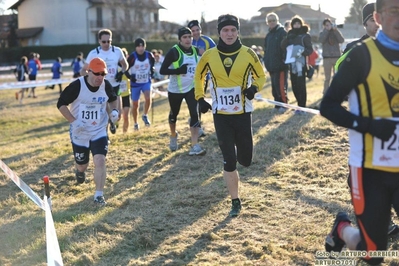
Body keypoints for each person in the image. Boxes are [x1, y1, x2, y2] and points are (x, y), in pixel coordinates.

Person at [320, 0, 399, 264]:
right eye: (394, 10)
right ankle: (342, 228)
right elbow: (328, 106)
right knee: (372, 253)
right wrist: (369, 125)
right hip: (370, 170)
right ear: (377, 17)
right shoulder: (360, 55)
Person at [194, 14, 266, 217]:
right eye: (225, 30)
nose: (229, 34)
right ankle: (235, 200)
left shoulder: (248, 53)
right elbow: (198, 76)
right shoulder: (209, 55)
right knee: (229, 159)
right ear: (219, 32)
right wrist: (200, 98)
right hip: (221, 115)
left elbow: (261, 75)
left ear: (238, 32)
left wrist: (253, 88)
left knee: (246, 159)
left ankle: (241, 161)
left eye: (233, 30)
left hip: (243, 113)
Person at [57, 57, 118, 205]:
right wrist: (73, 121)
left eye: (102, 74)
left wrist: (114, 112)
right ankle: (80, 171)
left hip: (98, 130)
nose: (99, 77)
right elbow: (61, 104)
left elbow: (113, 98)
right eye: (96, 73)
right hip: (80, 131)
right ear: (88, 71)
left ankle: (99, 195)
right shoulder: (77, 86)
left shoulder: (106, 85)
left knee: (100, 160)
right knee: (82, 164)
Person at [159, 27, 206, 156]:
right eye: (184, 37)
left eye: (189, 37)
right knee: (174, 114)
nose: (187, 39)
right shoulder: (174, 52)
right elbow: (162, 70)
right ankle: (173, 135)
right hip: (175, 90)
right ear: (180, 39)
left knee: (195, 114)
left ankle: (195, 145)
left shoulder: (196, 51)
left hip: (191, 89)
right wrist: (178, 70)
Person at [81, 29, 128, 135]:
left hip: (115, 86)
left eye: (109, 41)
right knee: (104, 114)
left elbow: (125, 65)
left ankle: (112, 122)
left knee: (118, 114)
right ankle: (105, 136)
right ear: (99, 41)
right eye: (104, 42)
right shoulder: (94, 53)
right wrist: (92, 78)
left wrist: (122, 73)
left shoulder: (117, 51)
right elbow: (83, 70)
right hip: (101, 87)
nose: (106, 44)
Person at [187, 19, 216, 136]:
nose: (195, 32)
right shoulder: (187, 41)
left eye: (197, 30)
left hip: (203, 77)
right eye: (193, 30)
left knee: (199, 100)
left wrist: (205, 53)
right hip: (189, 77)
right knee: (193, 102)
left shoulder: (207, 41)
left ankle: (196, 123)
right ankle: (196, 123)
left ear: (200, 29)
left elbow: (216, 55)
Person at [281, 16, 313, 113]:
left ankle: (302, 106)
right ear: (292, 25)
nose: (297, 25)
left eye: (298, 23)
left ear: (301, 24)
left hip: (301, 64)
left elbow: (310, 49)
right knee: (294, 85)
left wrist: (301, 52)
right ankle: (298, 105)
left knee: (301, 85)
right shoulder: (289, 35)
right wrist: (287, 38)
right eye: (295, 24)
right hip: (292, 64)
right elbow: (282, 46)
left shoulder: (305, 35)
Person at [126, 38, 155, 131]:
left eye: (142, 46)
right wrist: (130, 77)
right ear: (136, 47)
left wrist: (152, 70)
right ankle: (135, 123)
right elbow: (125, 69)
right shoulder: (132, 57)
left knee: (148, 97)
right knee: (135, 105)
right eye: (138, 46)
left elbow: (152, 64)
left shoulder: (149, 55)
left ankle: (145, 115)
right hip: (135, 84)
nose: (141, 48)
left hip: (146, 81)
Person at [264, 12, 288, 113]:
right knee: (274, 87)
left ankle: (284, 104)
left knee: (281, 87)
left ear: (277, 21)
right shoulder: (268, 35)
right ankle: (277, 105)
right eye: (270, 21)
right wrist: (267, 63)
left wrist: (283, 61)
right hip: (271, 66)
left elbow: (286, 49)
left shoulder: (282, 32)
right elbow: (266, 50)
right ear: (267, 23)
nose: (272, 22)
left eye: (273, 20)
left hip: (281, 66)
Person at [318, 18, 344, 94]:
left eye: (329, 24)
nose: (328, 26)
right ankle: (325, 92)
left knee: (337, 77)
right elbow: (321, 40)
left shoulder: (335, 32)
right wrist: (326, 30)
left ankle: (337, 92)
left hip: (336, 57)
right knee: (327, 78)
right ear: (324, 26)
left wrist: (335, 30)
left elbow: (341, 40)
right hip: (327, 58)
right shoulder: (322, 33)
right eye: (326, 25)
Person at [119, 48, 132, 134]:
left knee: (126, 115)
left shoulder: (128, 67)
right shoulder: (114, 67)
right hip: (117, 96)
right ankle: (114, 125)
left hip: (126, 94)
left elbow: (131, 76)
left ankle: (125, 132)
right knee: (117, 115)